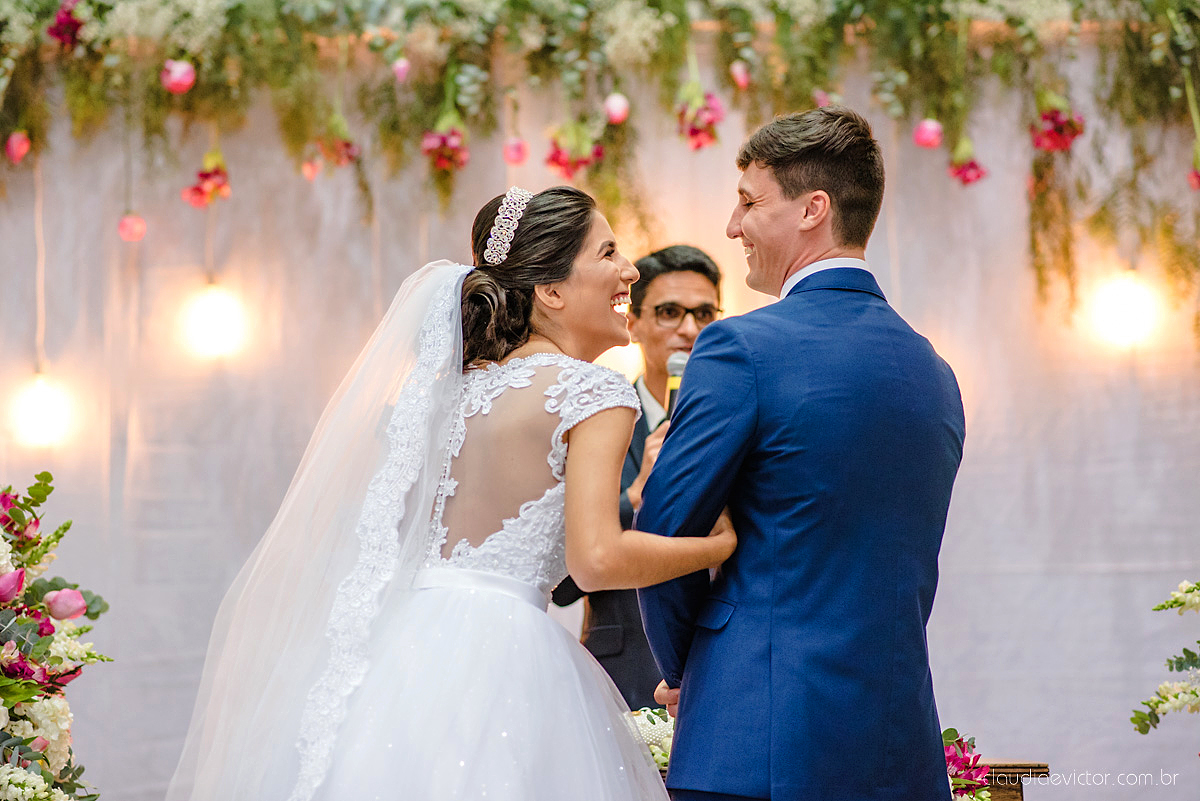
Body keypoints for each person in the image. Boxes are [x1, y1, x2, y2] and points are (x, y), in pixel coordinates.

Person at [167, 186, 736, 801]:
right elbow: (594, 561)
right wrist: (722, 547)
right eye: (608, 253)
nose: (629, 270)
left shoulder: (447, 393)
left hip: (403, 644)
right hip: (506, 654)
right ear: (551, 290)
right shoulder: (594, 392)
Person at [637, 106, 966, 801]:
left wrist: (690, 670)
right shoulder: (933, 371)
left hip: (754, 744)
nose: (733, 226)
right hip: (896, 751)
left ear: (813, 209)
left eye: (750, 201)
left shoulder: (740, 349)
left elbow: (664, 535)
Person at [553, 245, 723, 711]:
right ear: (635, 322)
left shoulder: (743, 422)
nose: (690, 329)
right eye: (670, 312)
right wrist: (632, 495)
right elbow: (564, 586)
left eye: (704, 312)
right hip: (624, 669)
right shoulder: (590, 416)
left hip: (727, 663)